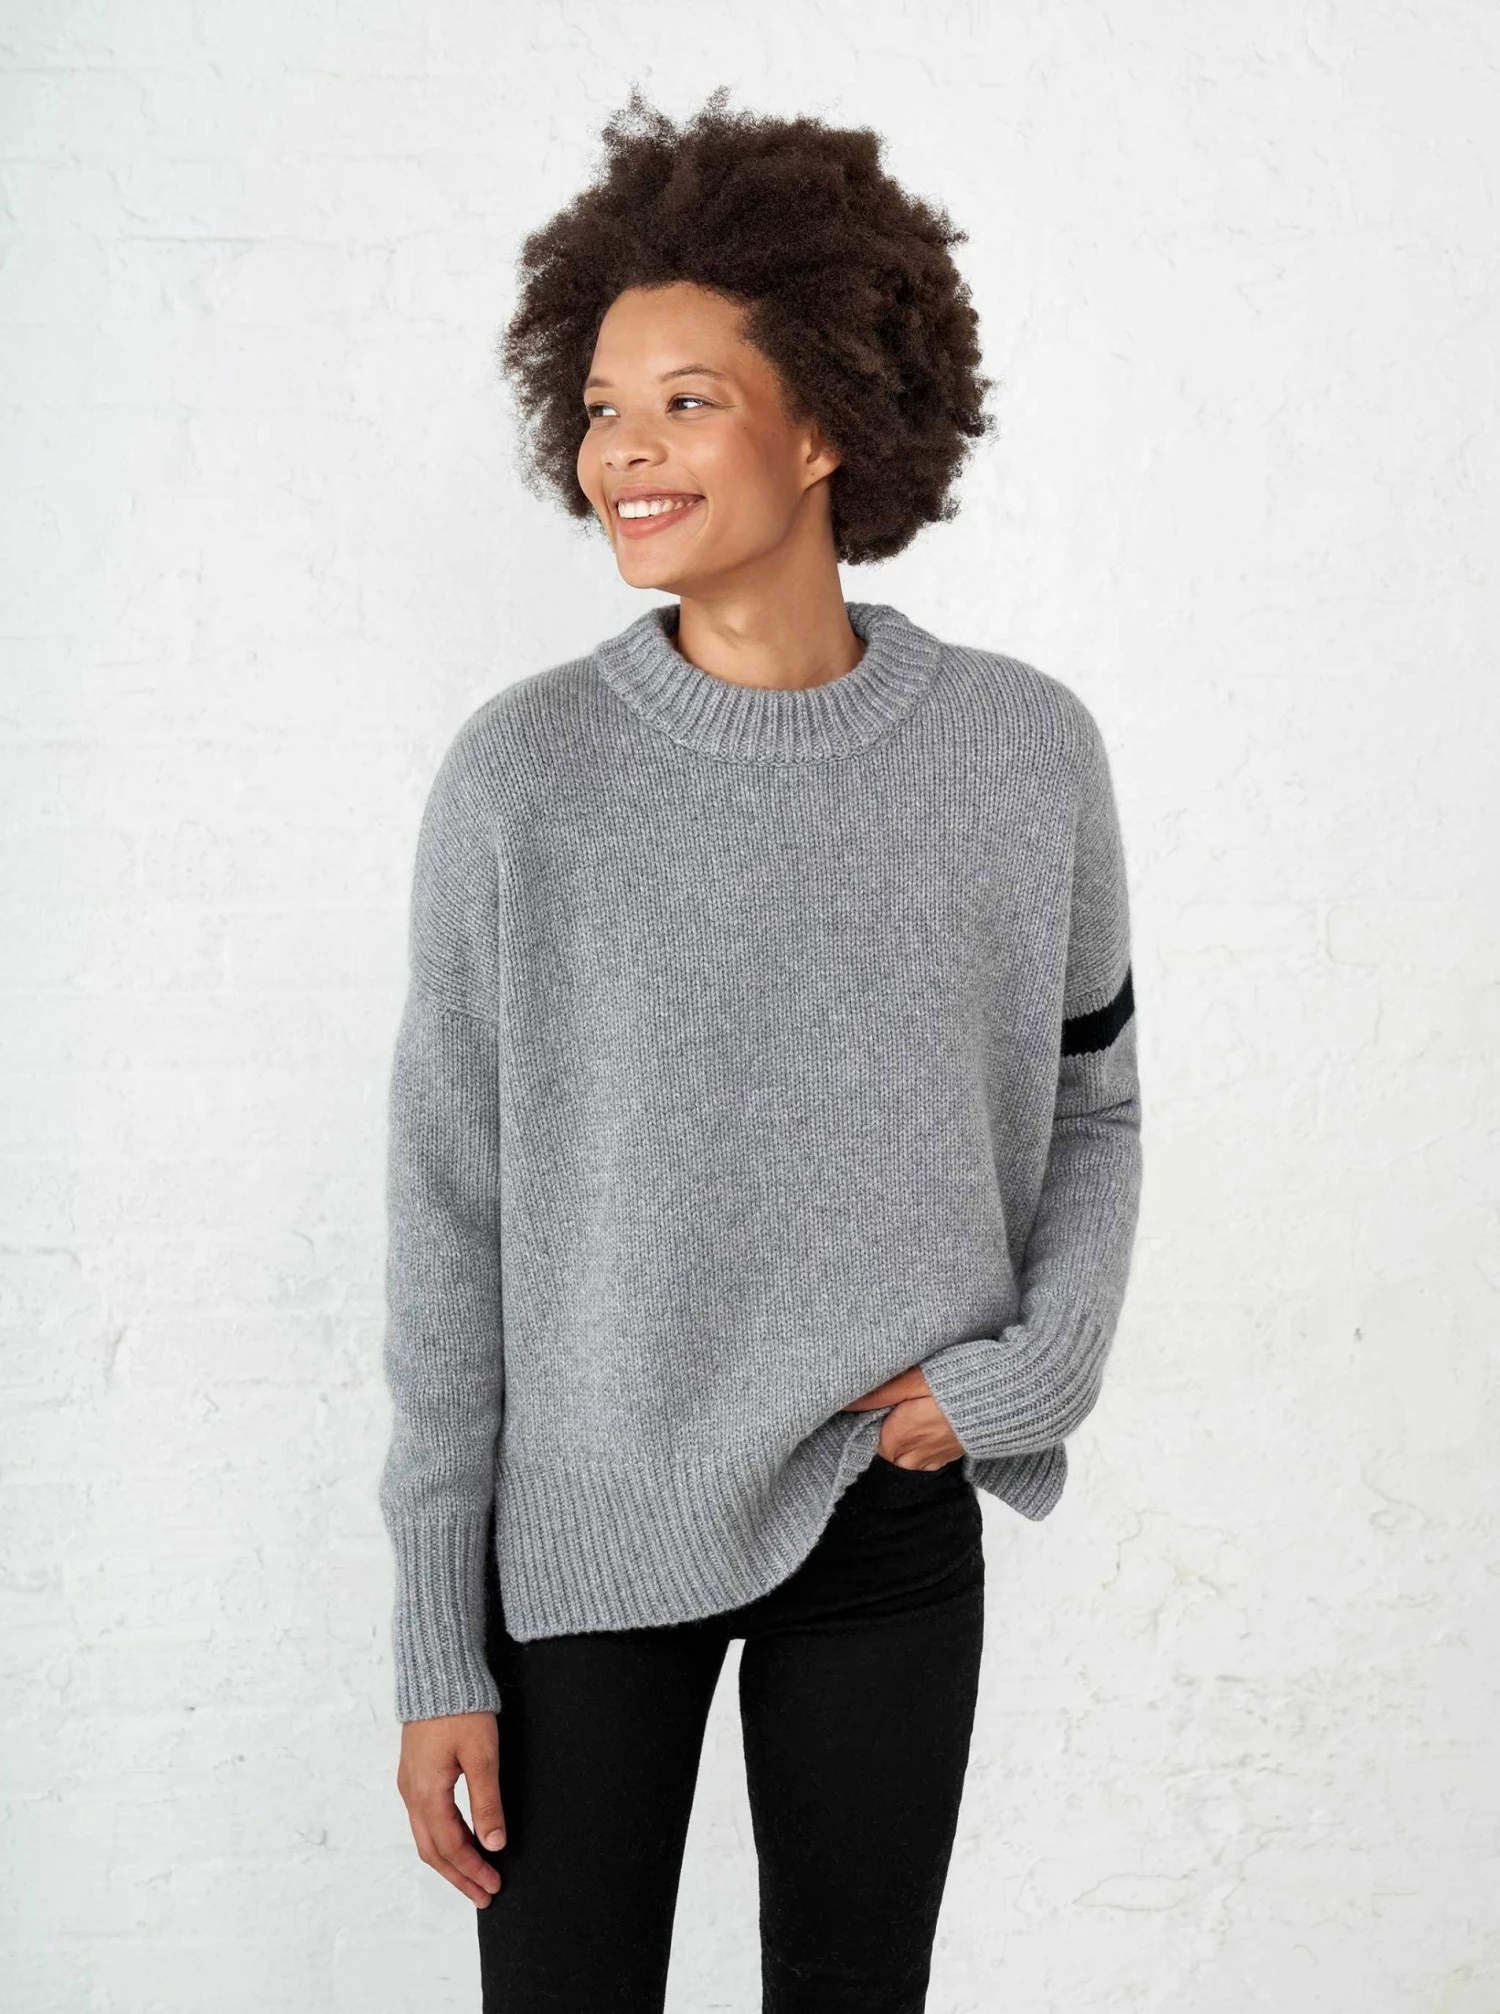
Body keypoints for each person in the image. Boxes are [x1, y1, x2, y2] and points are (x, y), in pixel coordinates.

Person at [377, 86, 1143, 2014]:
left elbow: (1094, 1098)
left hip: (887, 1502)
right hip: (587, 1530)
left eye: (686, 401)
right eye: (601, 407)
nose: (621, 451)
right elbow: (449, 1222)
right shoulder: (523, 778)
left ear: (825, 426)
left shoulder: (1022, 752)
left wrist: (1029, 1369)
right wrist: (436, 1639)